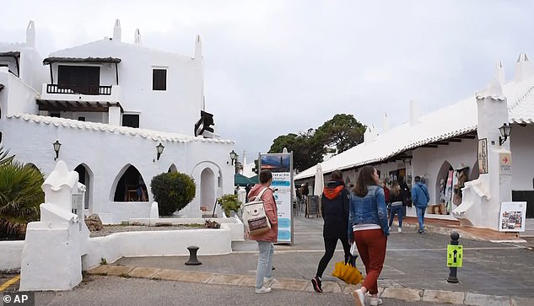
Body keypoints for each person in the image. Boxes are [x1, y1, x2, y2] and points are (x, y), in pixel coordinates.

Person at [349, 166, 389, 306]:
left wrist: (351, 235)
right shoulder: (378, 191)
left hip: (357, 231)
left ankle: (374, 296)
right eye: (376, 173)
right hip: (374, 230)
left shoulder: (353, 193)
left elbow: (351, 216)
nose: (378, 176)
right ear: (372, 175)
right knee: (376, 266)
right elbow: (382, 213)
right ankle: (363, 291)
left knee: (369, 265)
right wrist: (385, 230)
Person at [311, 170, 353, 293]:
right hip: (343, 226)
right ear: (341, 178)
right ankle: (347, 275)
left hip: (329, 227)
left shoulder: (324, 192)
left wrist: (328, 221)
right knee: (348, 252)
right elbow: (347, 211)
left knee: (328, 253)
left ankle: (317, 277)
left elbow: (323, 211)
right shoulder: (344, 192)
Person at [247, 170, 278, 294]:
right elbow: (268, 208)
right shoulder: (267, 193)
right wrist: (274, 222)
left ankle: (268, 277)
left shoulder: (256, 190)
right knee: (263, 257)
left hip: (256, 226)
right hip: (265, 227)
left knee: (270, 250)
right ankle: (259, 286)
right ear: (270, 179)